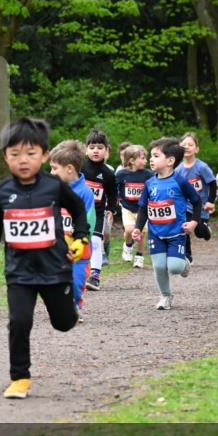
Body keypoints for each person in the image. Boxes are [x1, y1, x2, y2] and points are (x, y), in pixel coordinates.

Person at [0, 118, 90, 399]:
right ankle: (20, 377)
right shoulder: (2, 191)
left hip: (55, 268)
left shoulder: (53, 186)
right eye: (15, 154)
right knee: (19, 322)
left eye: (30, 154)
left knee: (64, 323)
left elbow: (78, 209)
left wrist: (80, 237)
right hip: (20, 272)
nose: (23, 160)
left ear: (43, 155)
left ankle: (69, 311)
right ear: (5, 157)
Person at [131, 138, 201, 310]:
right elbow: (143, 208)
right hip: (156, 232)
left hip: (176, 232)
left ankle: (184, 263)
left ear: (170, 161)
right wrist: (137, 228)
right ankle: (165, 296)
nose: (151, 159)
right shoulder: (149, 183)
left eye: (156, 156)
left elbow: (197, 201)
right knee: (159, 266)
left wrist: (194, 222)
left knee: (175, 268)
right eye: (151, 156)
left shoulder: (180, 181)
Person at [49, 140, 97, 318]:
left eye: (55, 169)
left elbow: (89, 220)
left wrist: (81, 241)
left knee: (76, 283)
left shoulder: (85, 192)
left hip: (79, 251)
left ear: (69, 168)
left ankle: (75, 304)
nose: (51, 173)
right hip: (55, 249)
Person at [81, 129, 118, 291]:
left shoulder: (108, 173)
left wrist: (111, 209)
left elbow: (112, 193)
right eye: (92, 147)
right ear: (86, 149)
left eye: (100, 147)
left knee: (96, 242)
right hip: (77, 212)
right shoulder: (78, 167)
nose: (96, 150)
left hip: (97, 213)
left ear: (106, 150)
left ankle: (95, 276)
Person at [175, 132, 216, 263]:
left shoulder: (201, 167)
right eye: (184, 145)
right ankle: (187, 256)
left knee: (199, 232)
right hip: (186, 206)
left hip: (201, 206)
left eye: (190, 144)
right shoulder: (178, 169)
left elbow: (213, 184)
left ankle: (206, 230)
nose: (187, 147)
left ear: (196, 149)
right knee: (185, 227)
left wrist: (210, 201)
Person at [116, 144, 153, 268]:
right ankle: (127, 246)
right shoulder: (121, 174)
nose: (146, 161)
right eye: (142, 158)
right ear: (132, 160)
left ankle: (139, 255)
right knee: (129, 230)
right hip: (127, 207)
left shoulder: (148, 174)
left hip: (142, 209)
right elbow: (115, 188)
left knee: (141, 233)